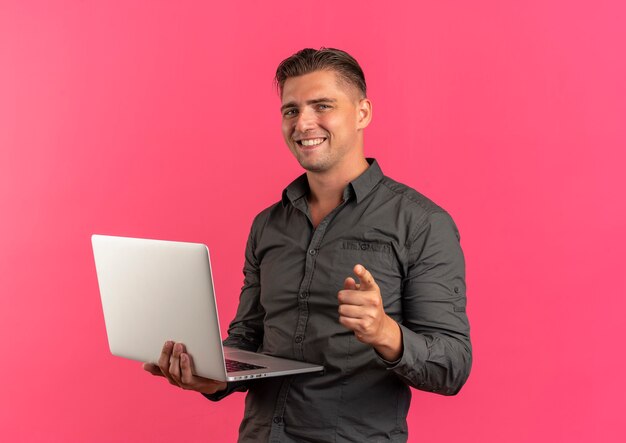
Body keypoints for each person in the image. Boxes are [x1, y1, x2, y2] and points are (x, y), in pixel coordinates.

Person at [144, 47, 472, 442]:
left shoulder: (422, 224)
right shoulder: (268, 225)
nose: (303, 123)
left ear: (362, 113)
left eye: (322, 106)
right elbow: (247, 340)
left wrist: (385, 332)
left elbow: (452, 366)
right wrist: (211, 377)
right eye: (291, 110)